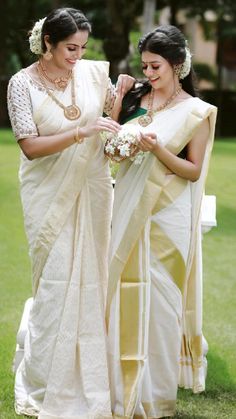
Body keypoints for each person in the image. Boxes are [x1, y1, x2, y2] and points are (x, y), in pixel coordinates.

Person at [7, 7, 134, 418]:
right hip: (47, 193)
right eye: (69, 48)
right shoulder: (21, 84)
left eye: (81, 48)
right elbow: (28, 145)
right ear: (47, 43)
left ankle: (90, 372)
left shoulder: (94, 74)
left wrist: (127, 98)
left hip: (94, 187)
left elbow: (114, 120)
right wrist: (81, 131)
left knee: (95, 274)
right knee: (56, 281)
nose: (77, 56)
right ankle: (45, 378)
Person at [105, 25, 217, 418]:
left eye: (155, 66)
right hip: (128, 203)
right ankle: (117, 386)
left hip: (167, 213)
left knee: (162, 302)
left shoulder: (195, 113)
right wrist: (118, 101)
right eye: (145, 66)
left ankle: (155, 395)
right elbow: (111, 146)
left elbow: (191, 170)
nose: (148, 73)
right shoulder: (137, 95)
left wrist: (156, 151)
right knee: (121, 290)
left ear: (177, 65)